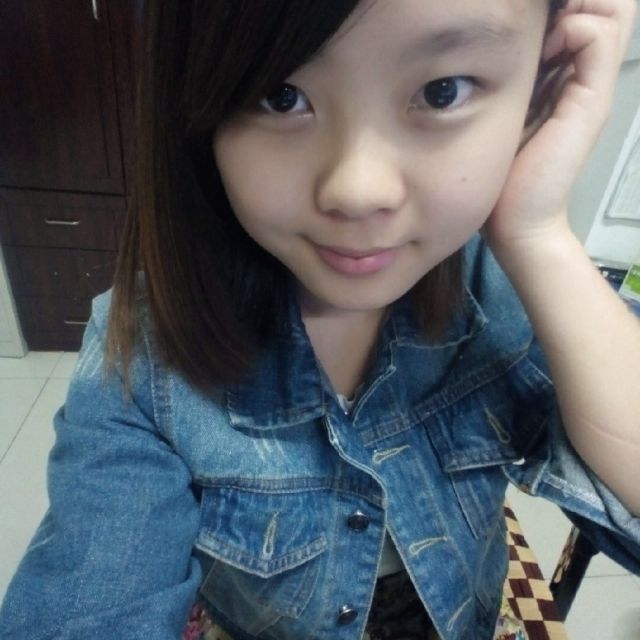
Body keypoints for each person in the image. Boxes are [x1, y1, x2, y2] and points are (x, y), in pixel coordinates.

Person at [1, 0, 639, 638]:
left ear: (541, 82)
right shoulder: (146, 350)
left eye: (442, 91)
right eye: (281, 96)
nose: (357, 190)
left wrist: (537, 234)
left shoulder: (510, 292)